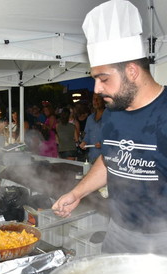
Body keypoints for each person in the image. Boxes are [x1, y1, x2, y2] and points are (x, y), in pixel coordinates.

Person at [52, 0, 167, 255]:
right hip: (118, 231)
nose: (97, 89)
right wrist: (77, 192)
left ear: (132, 71)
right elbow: (109, 159)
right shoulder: (113, 113)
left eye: (104, 79)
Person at [79, 93, 105, 163]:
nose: (95, 101)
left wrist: (104, 143)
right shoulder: (90, 118)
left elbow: (116, 135)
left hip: (106, 158)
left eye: (98, 99)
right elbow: (87, 134)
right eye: (94, 99)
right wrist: (84, 142)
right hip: (92, 157)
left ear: (103, 100)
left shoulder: (110, 116)